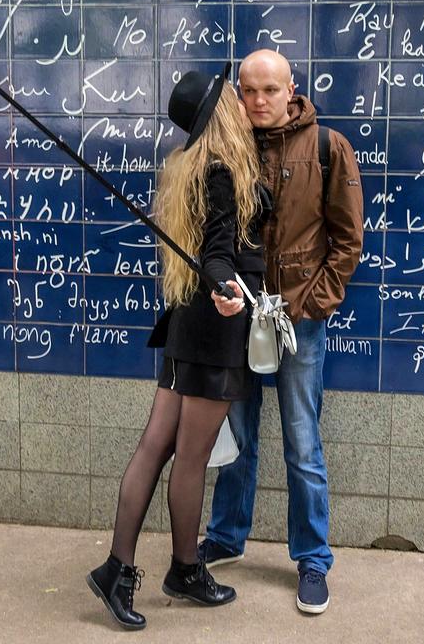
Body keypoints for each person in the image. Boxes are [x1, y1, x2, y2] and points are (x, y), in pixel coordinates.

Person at [87, 63, 270, 631]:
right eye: (231, 96)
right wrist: (228, 288)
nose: (242, 100)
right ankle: (182, 570)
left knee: (155, 447)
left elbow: (211, 247)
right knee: (187, 458)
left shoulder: (191, 167)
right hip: (215, 331)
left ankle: (121, 567)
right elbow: (218, 252)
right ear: (219, 113)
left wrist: (220, 283)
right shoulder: (221, 170)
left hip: (186, 327)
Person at [199, 50, 364, 615]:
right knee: (239, 437)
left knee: (302, 440)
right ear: (239, 94)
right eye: (250, 91)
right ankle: (225, 538)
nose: (261, 101)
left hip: (299, 321)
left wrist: (310, 307)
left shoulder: (328, 147)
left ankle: (313, 559)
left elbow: (347, 242)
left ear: (292, 88)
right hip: (239, 316)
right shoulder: (229, 149)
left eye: (271, 89)